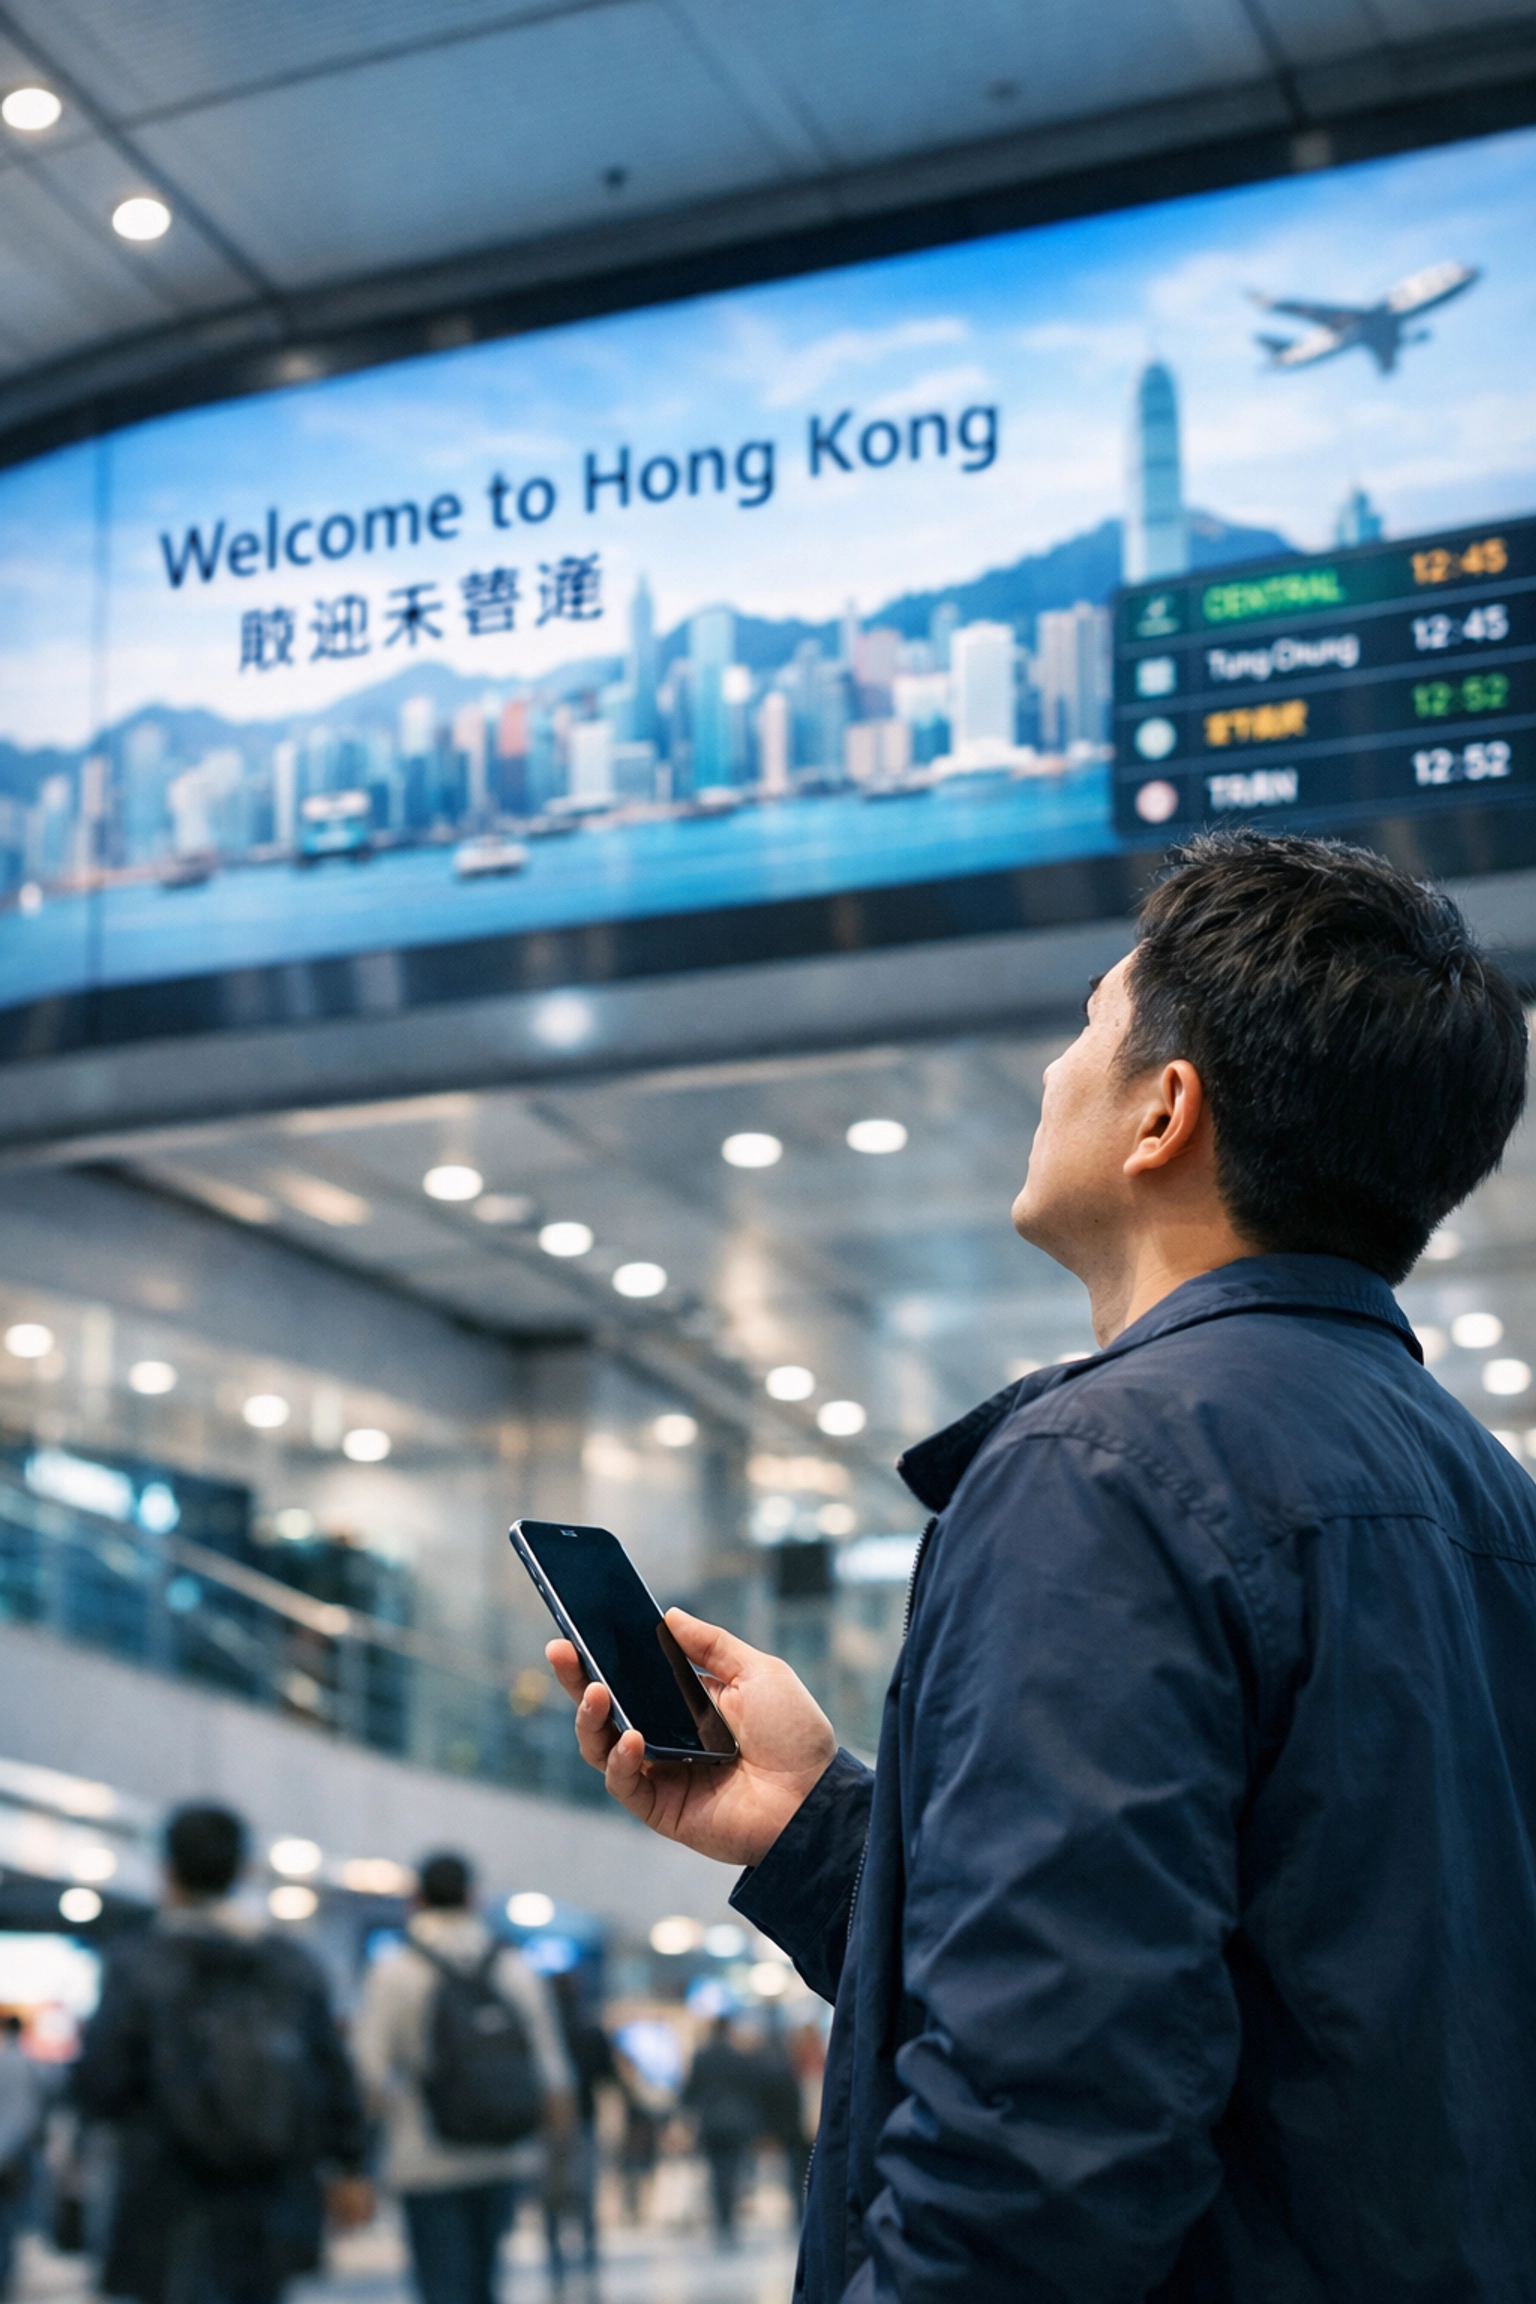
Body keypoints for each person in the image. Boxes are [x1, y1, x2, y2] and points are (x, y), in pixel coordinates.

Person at [548, 831, 1536, 2300]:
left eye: (1086, 1024)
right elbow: (1298, 1993)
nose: (1054, 1071)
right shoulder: (1485, 1500)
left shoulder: (1106, 1468)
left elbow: (1049, 2123)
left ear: (1164, 1112)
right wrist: (813, 1829)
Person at [76, 1803, 372, 2304]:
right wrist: (350, 2165)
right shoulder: (288, 1964)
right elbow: (332, 2075)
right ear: (242, 1870)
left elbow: (99, 2085)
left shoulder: (140, 1963)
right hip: (269, 2197)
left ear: (167, 1869)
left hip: (164, 2199)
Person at [353, 1851, 573, 2304]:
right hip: (505, 2152)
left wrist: (356, 2162)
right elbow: (552, 2071)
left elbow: (369, 2073)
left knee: (442, 2287)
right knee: (486, 2282)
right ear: (475, 1899)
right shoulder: (515, 1968)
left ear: (415, 1901)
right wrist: (557, 2156)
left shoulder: (395, 1971)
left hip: (424, 2156)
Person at [541, 1969, 616, 2283]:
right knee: (585, 2191)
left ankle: (555, 2257)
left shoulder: (543, 2030)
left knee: (551, 2193)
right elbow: (608, 2076)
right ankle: (587, 2254)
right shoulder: (590, 2028)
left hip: (544, 2124)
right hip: (584, 2119)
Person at [681, 2015, 761, 2248]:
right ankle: (729, 2218)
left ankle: (721, 2219)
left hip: (712, 2122)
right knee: (732, 2170)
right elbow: (751, 2090)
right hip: (736, 2122)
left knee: (716, 2172)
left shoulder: (702, 2057)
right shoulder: (738, 2058)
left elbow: (690, 2091)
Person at [0, 2016, 42, 2297]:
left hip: (6, 2148)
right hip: (17, 2151)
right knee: (11, 2222)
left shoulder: (3, 2061)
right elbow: (33, 2112)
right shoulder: (30, 2064)